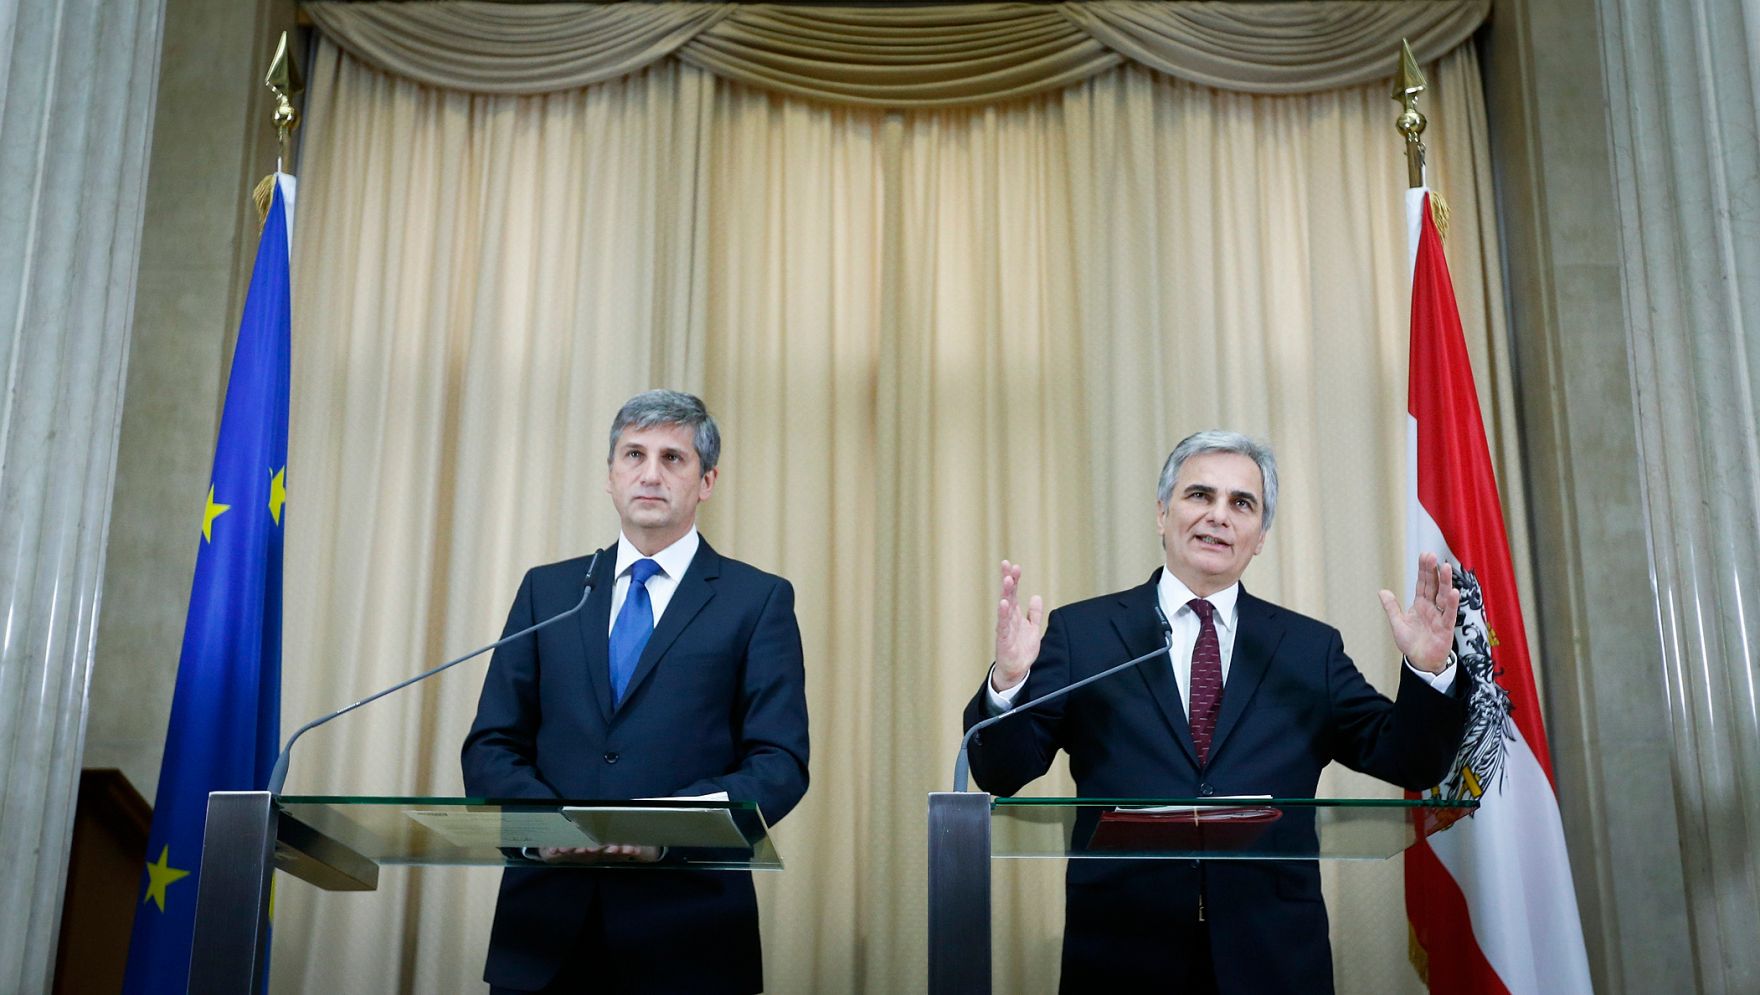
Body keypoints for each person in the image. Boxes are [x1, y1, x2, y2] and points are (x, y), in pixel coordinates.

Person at [963, 430, 1469, 993]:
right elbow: (1002, 771)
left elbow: (1412, 760)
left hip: (1272, 961)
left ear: (1260, 537)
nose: (1218, 516)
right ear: (1162, 514)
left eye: (1241, 503)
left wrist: (1430, 672)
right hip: (1121, 959)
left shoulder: (1309, 648)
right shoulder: (1084, 634)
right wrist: (1010, 680)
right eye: (1199, 496)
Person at [463, 389, 809, 995]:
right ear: (610, 476)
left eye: (673, 458)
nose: (650, 474)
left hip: (689, 936)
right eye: (634, 454)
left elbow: (779, 764)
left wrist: (664, 829)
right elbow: (492, 743)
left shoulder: (756, 600)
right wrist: (551, 828)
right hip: (544, 936)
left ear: (706, 481)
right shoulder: (550, 591)